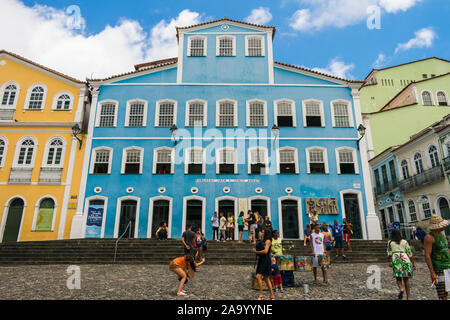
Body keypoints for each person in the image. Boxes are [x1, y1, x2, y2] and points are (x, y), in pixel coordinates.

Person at [424, 215, 450, 300]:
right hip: (439, 268)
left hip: (448, 266)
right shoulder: (429, 238)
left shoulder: (442, 235)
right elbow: (427, 255)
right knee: (443, 294)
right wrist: (432, 272)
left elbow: (446, 249)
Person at [387, 229, 416, 300]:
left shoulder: (390, 242)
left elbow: (389, 254)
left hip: (396, 260)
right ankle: (408, 297)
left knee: (398, 278)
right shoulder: (404, 242)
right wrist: (413, 263)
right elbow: (410, 253)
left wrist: (389, 262)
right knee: (406, 280)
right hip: (405, 260)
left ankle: (401, 288)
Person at [253, 228, 275, 300]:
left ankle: (261, 295)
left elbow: (265, 251)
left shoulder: (268, 241)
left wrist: (256, 252)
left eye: (263, 232)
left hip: (265, 260)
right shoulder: (264, 241)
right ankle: (272, 296)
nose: (261, 233)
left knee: (258, 276)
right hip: (262, 259)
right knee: (266, 278)